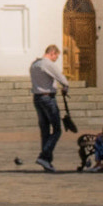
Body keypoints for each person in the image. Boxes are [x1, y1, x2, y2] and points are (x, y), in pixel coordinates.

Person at [29, 43, 69, 172]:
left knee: (45, 131)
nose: (55, 60)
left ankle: (46, 161)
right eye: (55, 57)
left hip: (37, 98)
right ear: (52, 53)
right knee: (57, 129)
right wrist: (65, 87)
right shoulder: (47, 63)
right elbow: (62, 79)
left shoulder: (34, 64)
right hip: (48, 99)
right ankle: (44, 156)